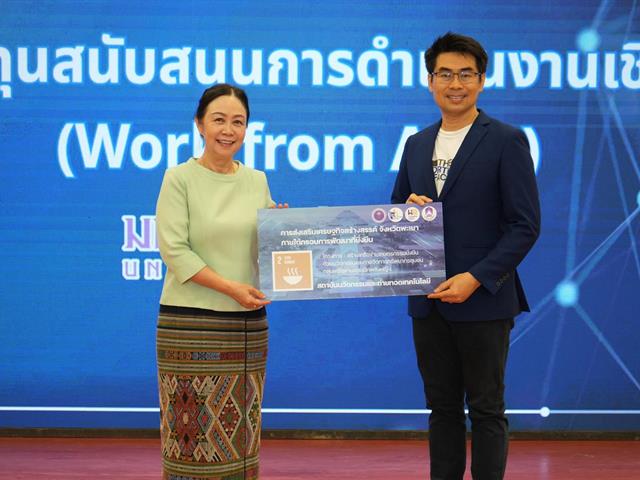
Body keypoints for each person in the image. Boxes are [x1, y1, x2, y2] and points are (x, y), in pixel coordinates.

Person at [391, 33, 541, 480]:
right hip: (428, 300)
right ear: (430, 81)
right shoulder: (416, 143)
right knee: (441, 409)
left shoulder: (506, 140)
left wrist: (475, 278)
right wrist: (405, 210)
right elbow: (395, 212)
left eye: (465, 74)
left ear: (481, 80)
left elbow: (524, 225)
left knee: (487, 409)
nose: (454, 84)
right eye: (445, 74)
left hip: (484, 301)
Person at [155, 84, 284, 480]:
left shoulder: (257, 180)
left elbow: (263, 250)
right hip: (190, 325)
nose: (228, 130)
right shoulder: (179, 178)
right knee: (190, 438)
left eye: (238, 122)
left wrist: (283, 230)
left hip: (247, 326)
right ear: (199, 124)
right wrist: (230, 288)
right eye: (219, 120)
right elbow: (175, 252)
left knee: (240, 438)